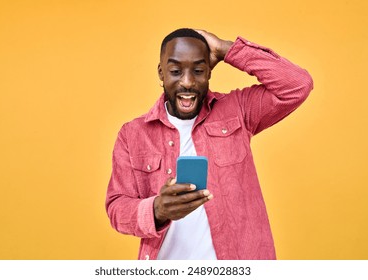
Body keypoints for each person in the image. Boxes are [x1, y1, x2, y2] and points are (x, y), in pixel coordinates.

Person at [105, 28, 313, 260]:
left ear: (209, 73)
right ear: (161, 73)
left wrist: (227, 49)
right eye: (175, 71)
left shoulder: (238, 110)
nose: (187, 82)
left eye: (198, 70)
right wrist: (157, 209)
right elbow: (116, 207)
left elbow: (297, 85)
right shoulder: (132, 134)